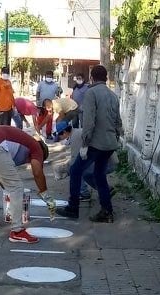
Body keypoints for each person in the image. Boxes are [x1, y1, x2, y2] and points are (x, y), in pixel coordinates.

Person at [57, 64, 122, 223]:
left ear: (92, 77)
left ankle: (73, 207)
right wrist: (116, 138)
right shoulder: (113, 95)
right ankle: (107, 211)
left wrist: (85, 144)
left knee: (75, 170)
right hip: (109, 144)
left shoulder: (91, 93)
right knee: (99, 175)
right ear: (106, 78)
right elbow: (118, 122)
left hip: (95, 143)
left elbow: (89, 122)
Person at [0, 125, 56, 243]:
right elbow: (37, 172)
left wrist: (7, 187)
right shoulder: (36, 147)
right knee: (16, 187)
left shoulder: (20, 143)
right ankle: (17, 231)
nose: (28, 162)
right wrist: (45, 194)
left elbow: (1, 176)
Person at [53, 121, 118, 201]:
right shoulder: (77, 132)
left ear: (65, 132)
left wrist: (64, 170)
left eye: (60, 136)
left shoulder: (75, 137)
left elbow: (75, 160)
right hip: (109, 160)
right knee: (86, 174)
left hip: (108, 162)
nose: (60, 139)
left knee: (78, 170)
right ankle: (106, 190)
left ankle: (84, 193)